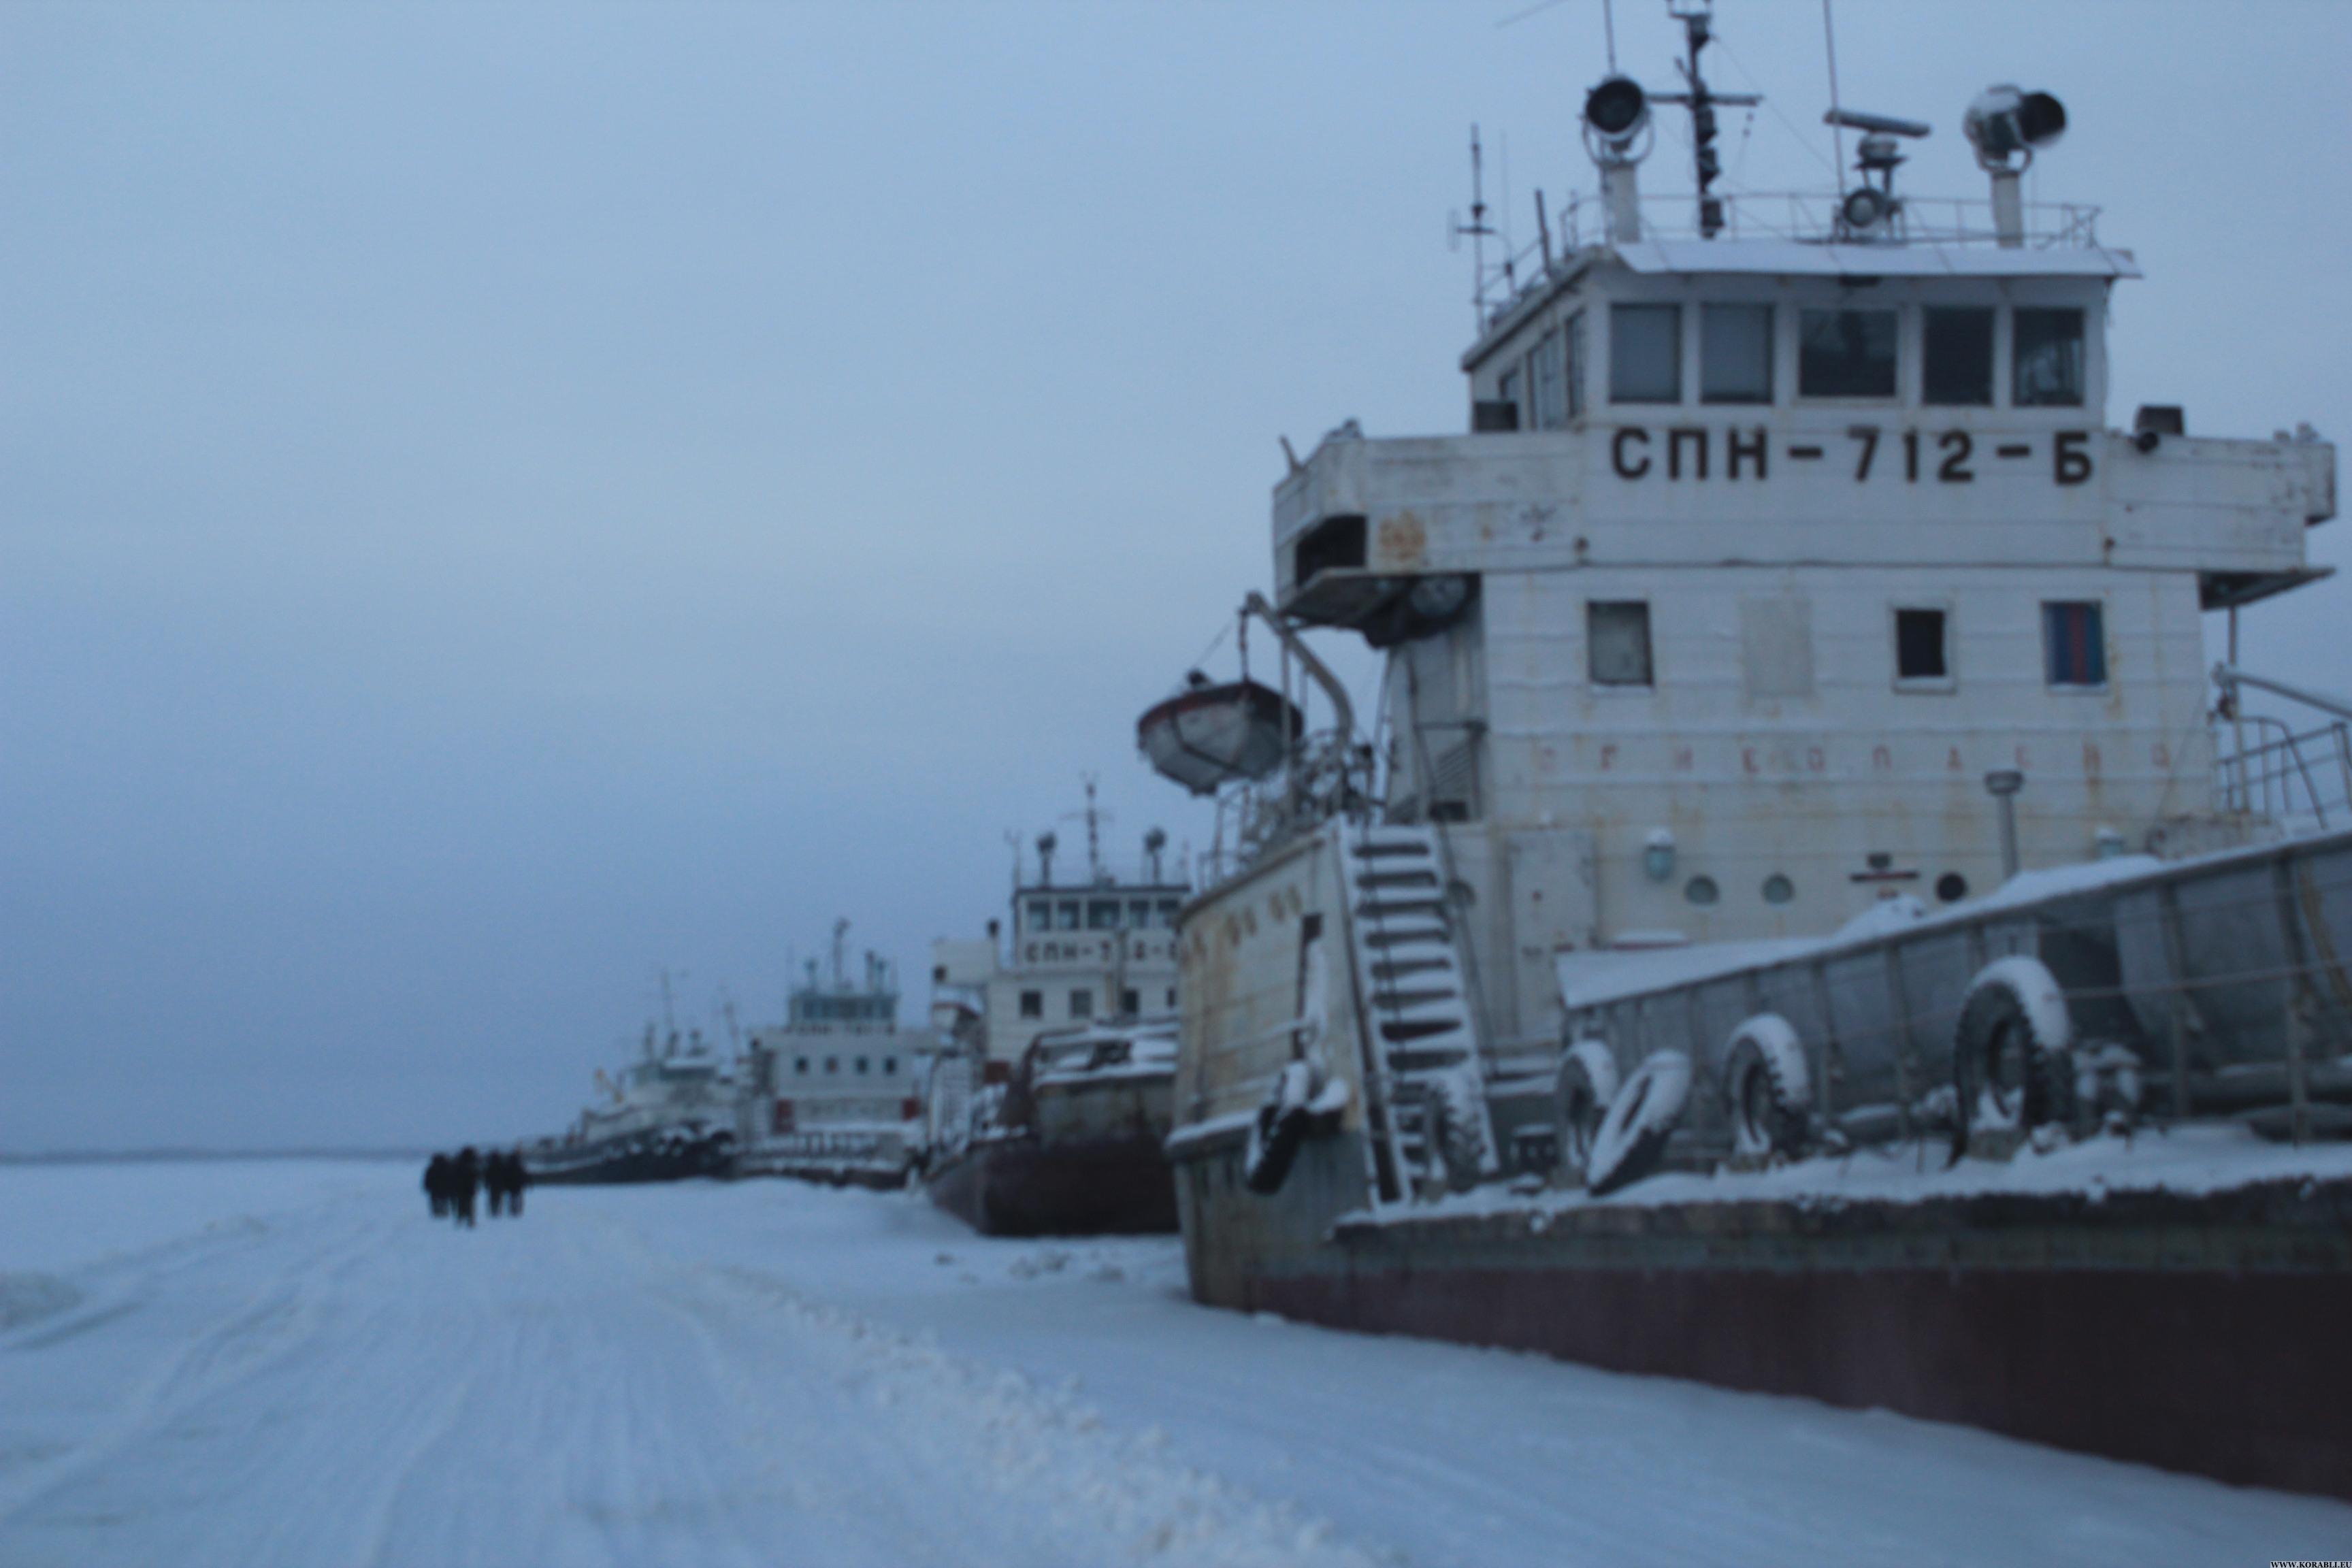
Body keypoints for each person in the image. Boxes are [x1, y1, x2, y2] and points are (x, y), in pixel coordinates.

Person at [451, 1146, 480, 1228]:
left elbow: (453, 1174)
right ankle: (470, 1220)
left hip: (460, 1186)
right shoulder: (473, 1162)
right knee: (470, 1204)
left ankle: (460, 1219)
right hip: (470, 1186)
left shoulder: (458, 1162)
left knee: (461, 1204)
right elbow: (477, 1175)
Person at [423, 1153, 450, 1218]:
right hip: (444, 1188)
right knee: (444, 1201)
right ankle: (443, 1212)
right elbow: (450, 1178)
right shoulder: (447, 1168)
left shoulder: (431, 1168)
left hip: (434, 1188)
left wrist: (427, 1186)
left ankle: (436, 1212)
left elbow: (427, 1179)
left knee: (435, 1201)